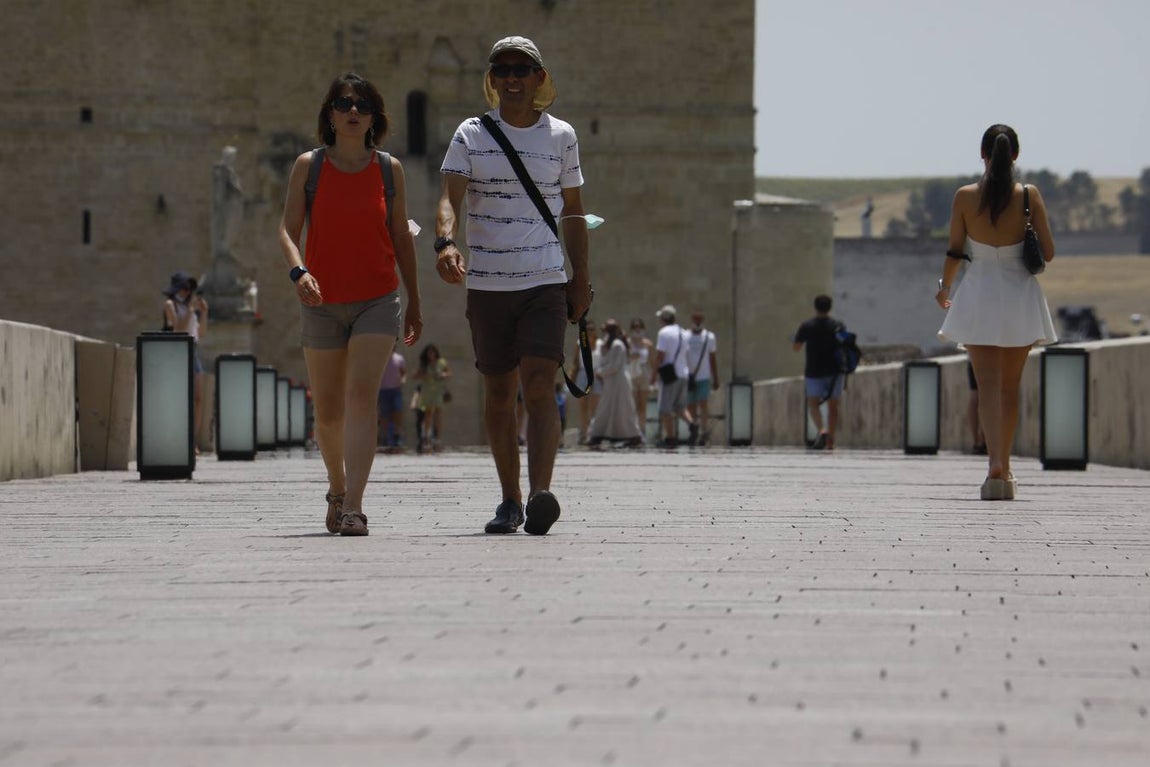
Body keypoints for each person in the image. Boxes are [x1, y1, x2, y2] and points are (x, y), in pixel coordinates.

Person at [435, 35, 591, 535]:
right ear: (492, 78)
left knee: (540, 384)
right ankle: (510, 500)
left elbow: (573, 210)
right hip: (488, 283)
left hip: (544, 278)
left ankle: (542, 492)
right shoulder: (470, 134)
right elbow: (448, 200)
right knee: (500, 393)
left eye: (521, 69)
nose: (511, 78)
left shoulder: (562, 137)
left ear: (539, 78)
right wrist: (445, 242)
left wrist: (580, 279)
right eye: (501, 69)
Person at [277, 72, 422, 536]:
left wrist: (414, 299)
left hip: (377, 299)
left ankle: (355, 506)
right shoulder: (309, 166)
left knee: (363, 398)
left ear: (375, 116)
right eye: (343, 103)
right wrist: (299, 271)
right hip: (321, 301)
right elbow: (287, 229)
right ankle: (337, 489)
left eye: (362, 105)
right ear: (330, 115)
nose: (353, 111)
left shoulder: (388, 170)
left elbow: (401, 235)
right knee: (329, 410)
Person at [937, 124, 1056, 500]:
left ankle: (993, 468)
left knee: (987, 386)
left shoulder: (965, 197)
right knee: (1010, 386)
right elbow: (1048, 252)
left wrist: (944, 289)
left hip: (978, 293)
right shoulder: (1028, 196)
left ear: (983, 155)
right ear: (1015, 155)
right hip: (1019, 292)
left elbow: (955, 250)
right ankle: (1006, 466)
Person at [162, 271, 209, 452]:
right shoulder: (170, 304)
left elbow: (201, 333)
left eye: (188, 289)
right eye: (183, 288)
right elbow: (178, 329)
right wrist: (190, 311)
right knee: (182, 397)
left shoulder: (190, 309)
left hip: (193, 350)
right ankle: (179, 437)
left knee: (198, 397)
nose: (186, 292)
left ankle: (193, 439)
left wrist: (204, 313)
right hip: (178, 350)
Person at [792, 295, 845, 451]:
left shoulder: (807, 325)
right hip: (835, 371)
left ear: (815, 307)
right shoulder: (838, 325)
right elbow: (845, 345)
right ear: (830, 307)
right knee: (833, 407)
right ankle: (831, 441)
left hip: (814, 371)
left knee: (813, 404)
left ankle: (822, 430)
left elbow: (796, 347)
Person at [587, 319, 643, 446]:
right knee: (606, 408)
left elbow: (614, 366)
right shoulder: (611, 345)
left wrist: (600, 372)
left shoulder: (617, 345)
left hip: (619, 382)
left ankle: (633, 435)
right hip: (611, 383)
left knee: (624, 409)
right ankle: (598, 434)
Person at [649, 305, 694, 447]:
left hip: (670, 375)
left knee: (665, 409)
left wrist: (654, 374)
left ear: (664, 318)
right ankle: (693, 425)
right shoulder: (684, 333)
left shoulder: (664, 333)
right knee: (680, 407)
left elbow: (660, 356)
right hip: (683, 373)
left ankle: (670, 438)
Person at [684, 309, 719, 446]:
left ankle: (704, 432)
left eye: (699, 319)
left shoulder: (709, 337)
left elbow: (712, 357)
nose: (697, 322)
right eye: (695, 319)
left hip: (703, 375)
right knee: (691, 405)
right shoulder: (686, 336)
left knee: (703, 404)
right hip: (689, 376)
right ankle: (694, 430)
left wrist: (716, 378)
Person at [414, 344, 451, 452]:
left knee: (438, 413)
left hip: (438, 390)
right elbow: (415, 375)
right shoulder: (424, 364)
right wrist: (423, 374)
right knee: (428, 413)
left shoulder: (441, 362)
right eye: (429, 352)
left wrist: (443, 374)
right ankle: (426, 436)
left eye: (433, 352)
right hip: (427, 391)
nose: (431, 354)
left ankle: (438, 438)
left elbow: (449, 372)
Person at [571, 320, 601, 444]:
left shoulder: (601, 344)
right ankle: (583, 433)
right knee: (583, 406)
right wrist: (572, 378)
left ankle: (592, 433)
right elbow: (575, 363)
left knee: (594, 407)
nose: (590, 332)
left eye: (592, 329)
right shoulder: (580, 343)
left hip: (597, 374)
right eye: (588, 329)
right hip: (583, 374)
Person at [628, 317, 654, 438]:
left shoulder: (648, 344)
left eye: (639, 327)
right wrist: (632, 357)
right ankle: (633, 430)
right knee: (633, 403)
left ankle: (642, 430)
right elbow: (624, 359)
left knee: (643, 404)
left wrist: (655, 378)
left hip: (644, 371)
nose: (637, 330)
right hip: (632, 371)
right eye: (635, 327)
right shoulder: (628, 343)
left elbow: (652, 361)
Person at [377, 350, 406, 451]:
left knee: (397, 412)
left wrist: (402, 380)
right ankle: (384, 438)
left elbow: (403, 373)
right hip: (383, 390)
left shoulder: (399, 358)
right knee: (384, 415)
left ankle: (397, 436)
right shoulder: (380, 357)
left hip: (395, 389)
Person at [966, 361, 987, 455]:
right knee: (989, 396)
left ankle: (976, 441)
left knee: (975, 395)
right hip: (994, 353)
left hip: (974, 353)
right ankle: (984, 439)